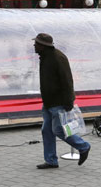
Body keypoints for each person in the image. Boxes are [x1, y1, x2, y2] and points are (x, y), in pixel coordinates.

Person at [34, 33, 90, 169]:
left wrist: (68, 102)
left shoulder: (58, 58)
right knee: (46, 131)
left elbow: (67, 81)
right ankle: (51, 160)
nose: (34, 45)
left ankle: (83, 146)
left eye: (36, 43)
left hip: (58, 102)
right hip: (48, 102)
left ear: (43, 46)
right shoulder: (45, 57)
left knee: (58, 130)